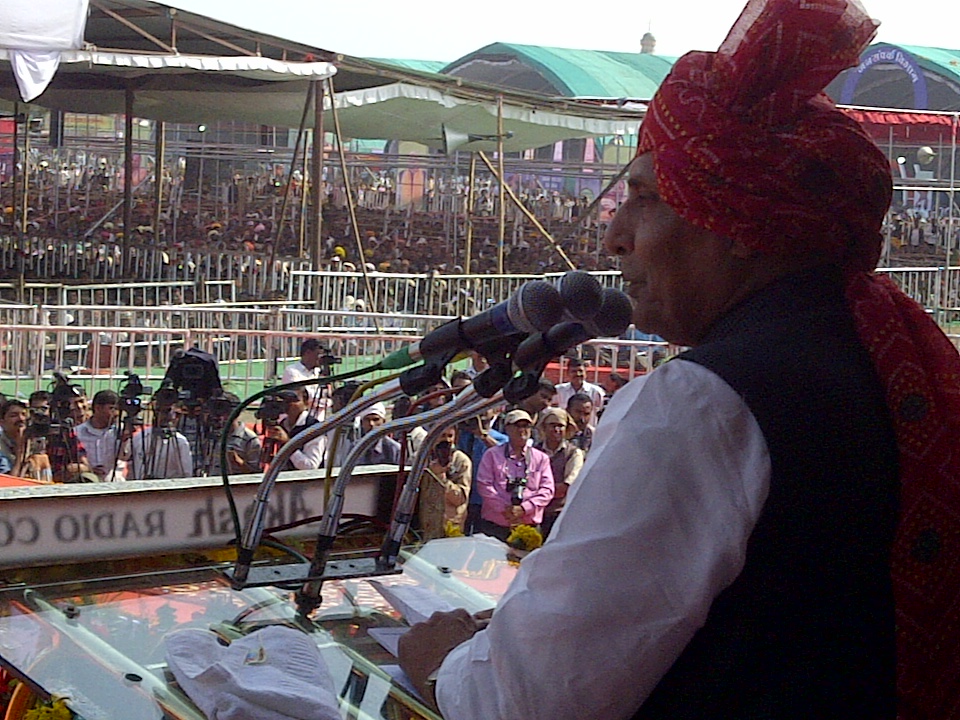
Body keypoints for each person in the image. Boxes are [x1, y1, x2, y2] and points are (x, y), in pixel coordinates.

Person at [398, 1, 960, 718]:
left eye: (645, 198)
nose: (614, 238)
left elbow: (527, 703)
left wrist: (445, 665)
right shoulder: (876, 363)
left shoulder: (702, 404)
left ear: (742, 226)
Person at [474, 409, 554, 543]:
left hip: (529, 527)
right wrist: (506, 510)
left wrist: (524, 509)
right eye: (518, 425)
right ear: (507, 428)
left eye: (526, 426)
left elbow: (547, 490)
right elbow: (484, 485)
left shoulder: (541, 458)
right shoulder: (492, 454)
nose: (522, 430)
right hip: (496, 525)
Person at [456, 406, 507, 535]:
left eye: (486, 407)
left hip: (486, 499)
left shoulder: (501, 439)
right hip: (465, 496)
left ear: (496, 410)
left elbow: (503, 455)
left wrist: (482, 435)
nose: (482, 412)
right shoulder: (463, 436)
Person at [533, 407, 583, 539]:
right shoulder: (533, 451)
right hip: (533, 514)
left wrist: (538, 493)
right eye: (552, 425)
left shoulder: (573, 453)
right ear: (544, 427)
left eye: (560, 426)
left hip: (559, 515)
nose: (556, 430)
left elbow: (566, 487)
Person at [418, 425, 472, 540]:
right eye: (442, 436)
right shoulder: (421, 458)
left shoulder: (461, 461)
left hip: (450, 528)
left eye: (450, 436)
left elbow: (460, 499)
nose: (446, 440)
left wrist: (441, 478)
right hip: (426, 526)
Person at [128, 397, 193, 480]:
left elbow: (187, 474)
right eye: (163, 412)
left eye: (176, 414)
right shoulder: (140, 437)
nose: (170, 417)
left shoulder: (180, 441)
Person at [266, 389, 324, 472]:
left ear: (306, 403)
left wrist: (288, 443)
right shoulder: (282, 424)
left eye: (294, 401)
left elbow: (311, 466)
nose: (289, 405)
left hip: (304, 481)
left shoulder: (314, 428)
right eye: (285, 401)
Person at [76, 390, 125, 481]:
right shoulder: (78, 432)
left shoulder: (122, 431)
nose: (116, 413)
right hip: (86, 483)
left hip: (116, 484)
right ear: (98, 408)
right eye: (112, 408)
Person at [0, 400, 51, 482]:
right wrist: (20, 451)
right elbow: (9, 483)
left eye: (24, 415)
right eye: (14, 415)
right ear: (2, 422)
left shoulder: (33, 441)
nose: (21, 419)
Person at [281, 338, 331, 417]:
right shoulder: (291, 371)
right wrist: (320, 402)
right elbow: (301, 399)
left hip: (319, 420)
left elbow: (329, 399)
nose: (322, 359)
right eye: (319, 355)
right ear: (308, 353)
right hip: (298, 420)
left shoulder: (321, 372)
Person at [554, 357, 604, 427]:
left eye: (580, 371)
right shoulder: (559, 390)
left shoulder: (596, 392)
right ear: (568, 373)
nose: (578, 374)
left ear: (585, 373)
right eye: (573, 371)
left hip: (589, 433)